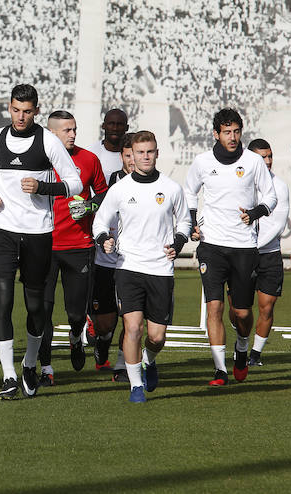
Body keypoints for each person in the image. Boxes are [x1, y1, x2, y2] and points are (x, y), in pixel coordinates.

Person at [0, 84, 82, 399]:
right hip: (1, 230)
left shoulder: (49, 142)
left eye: (27, 111)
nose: (20, 116)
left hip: (38, 232)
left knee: (36, 306)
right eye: (15, 110)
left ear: (36, 111)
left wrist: (42, 187)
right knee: (4, 299)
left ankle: (28, 364)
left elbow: (75, 182)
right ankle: (9, 376)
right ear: (8, 108)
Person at [93, 131, 190, 403]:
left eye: (150, 152)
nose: (145, 157)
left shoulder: (171, 188)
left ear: (157, 153)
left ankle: (149, 359)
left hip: (160, 269)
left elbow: (184, 221)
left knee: (156, 336)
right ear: (131, 156)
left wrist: (179, 242)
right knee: (133, 327)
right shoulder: (120, 189)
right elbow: (100, 221)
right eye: (140, 152)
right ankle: (135, 385)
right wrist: (104, 239)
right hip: (128, 267)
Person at [184, 109, 277, 386]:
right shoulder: (202, 162)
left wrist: (256, 211)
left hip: (244, 247)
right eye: (227, 132)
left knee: (242, 313)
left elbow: (270, 195)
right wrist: (191, 222)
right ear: (216, 134)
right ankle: (220, 370)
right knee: (214, 307)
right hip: (211, 245)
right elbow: (189, 191)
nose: (232, 137)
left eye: (236, 131)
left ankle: (241, 345)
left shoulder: (253, 162)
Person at [37, 111, 108, 386]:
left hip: (79, 245)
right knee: (42, 310)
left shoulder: (89, 159)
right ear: (52, 134)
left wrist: (89, 206)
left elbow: (103, 194)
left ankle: (76, 337)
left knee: (77, 313)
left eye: (74, 129)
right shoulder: (38, 161)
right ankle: (45, 367)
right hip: (43, 245)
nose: (73, 134)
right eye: (66, 130)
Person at [92, 134, 135, 382]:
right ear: (121, 157)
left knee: (130, 318)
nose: (132, 160)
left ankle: (121, 363)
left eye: (136, 154)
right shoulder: (112, 184)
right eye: (127, 155)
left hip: (133, 264)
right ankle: (102, 341)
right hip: (105, 262)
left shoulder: (155, 185)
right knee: (105, 324)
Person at [246, 139, 290, 366]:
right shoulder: (239, 183)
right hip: (241, 254)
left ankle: (255, 354)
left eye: (270, 156)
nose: (268, 161)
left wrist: (250, 246)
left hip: (268, 254)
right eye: (262, 157)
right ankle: (242, 344)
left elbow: (276, 225)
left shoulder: (279, 186)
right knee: (239, 311)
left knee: (267, 306)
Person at [87, 109, 129, 180]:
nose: (115, 128)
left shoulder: (134, 156)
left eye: (119, 124)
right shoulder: (90, 153)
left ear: (127, 127)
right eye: (111, 124)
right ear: (103, 126)